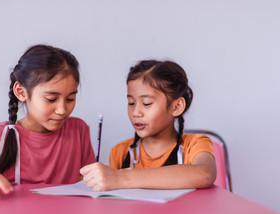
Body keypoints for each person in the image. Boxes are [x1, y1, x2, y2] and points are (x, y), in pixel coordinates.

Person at [0, 45, 95, 199]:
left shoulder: (78, 130)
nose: (62, 110)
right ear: (21, 92)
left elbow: (85, 187)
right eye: (51, 99)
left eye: (70, 98)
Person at [80, 60, 216, 191]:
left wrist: (121, 177)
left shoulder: (194, 145)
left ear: (177, 107)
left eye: (146, 103)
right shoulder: (120, 152)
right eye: (131, 103)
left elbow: (205, 175)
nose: (136, 112)